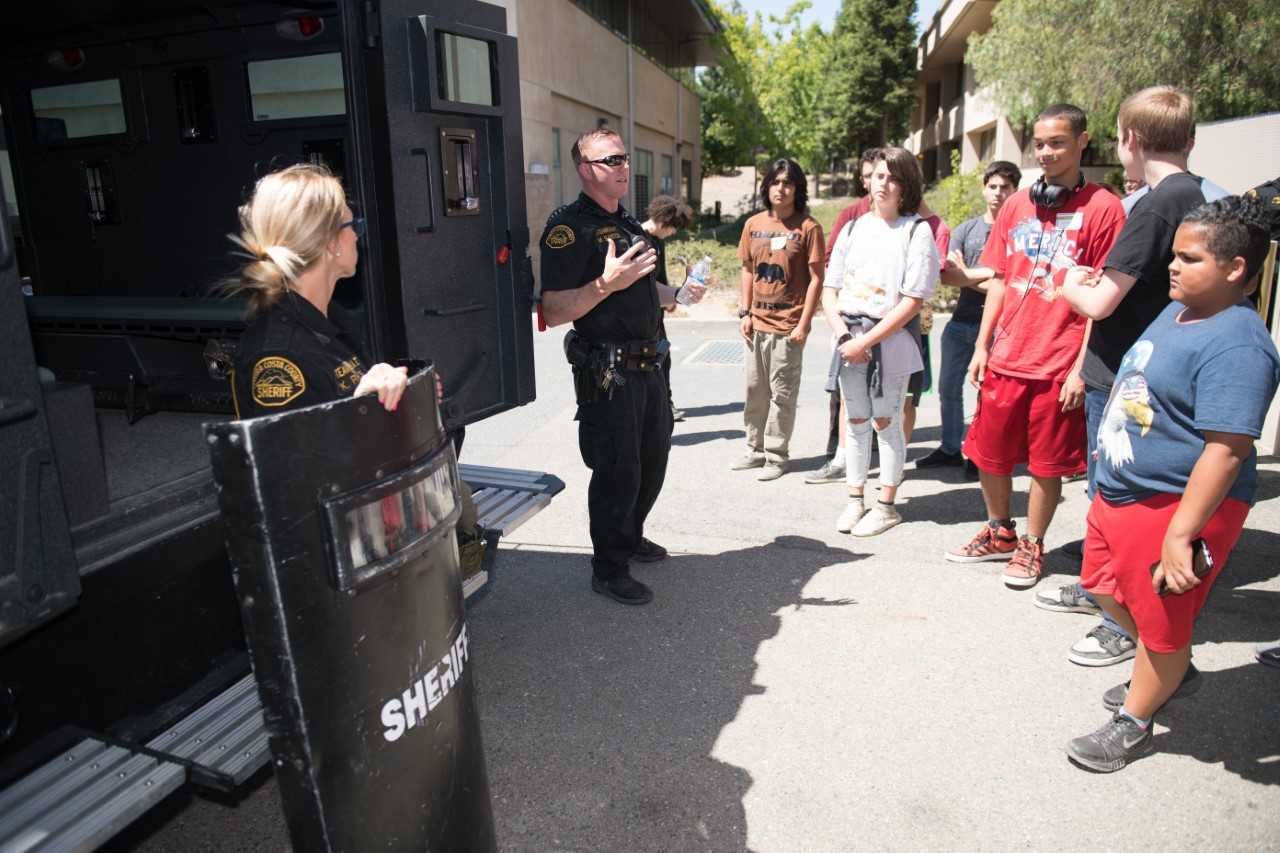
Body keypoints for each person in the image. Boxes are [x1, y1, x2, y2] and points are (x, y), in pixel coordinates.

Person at [1065, 197, 1280, 772]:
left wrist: (1182, 534)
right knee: (1104, 588)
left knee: (1162, 622)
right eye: (1175, 255)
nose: (1173, 266)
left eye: (1189, 257)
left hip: (1175, 504)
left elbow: (1226, 449)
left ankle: (1134, 723)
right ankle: (1171, 670)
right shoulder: (1178, 309)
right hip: (1121, 492)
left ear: (1235, 269)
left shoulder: (1239, 344)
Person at [1047, 87, 1230, 667]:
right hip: (1148, 374)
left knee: (1116, 497)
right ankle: (1104, 586)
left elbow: (1101, 300)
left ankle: (1120, 617)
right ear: (1189, 139)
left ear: (1130, 140)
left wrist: (1065, 278)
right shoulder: (1196, 194)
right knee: (1116, 497)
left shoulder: (1153, 205)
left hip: (1125, 377)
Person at [944, 104, 1125, 588]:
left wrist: (1079, 370)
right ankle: (1000, 531)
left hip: (1058, 362)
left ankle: (1032, 544)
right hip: (1007, 356)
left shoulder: (1104, 208)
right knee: (988, 454)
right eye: (1039, 144)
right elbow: (1001, 280)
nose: (1045, 153)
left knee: (1046, 465)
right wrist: (983, 345)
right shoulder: (1018, 204)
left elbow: (1103, 297)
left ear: (1082, 142)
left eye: (1057, 143)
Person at [539, 127, 700, 606]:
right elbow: (553, 309)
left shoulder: (630, 224)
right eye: (610, 160)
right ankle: (608, 568)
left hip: (651, 364)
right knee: (617, 469)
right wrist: (603, 285)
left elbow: (647, 290)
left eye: (624, 158)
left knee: (652, 462)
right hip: (607, 371)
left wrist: (679, 296)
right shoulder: (568, 228)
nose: (623, 166)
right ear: (586, 169)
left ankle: (628, 537)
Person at [229, 163, 409, 418]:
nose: (358, 236)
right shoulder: (281, 356)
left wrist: (404, 395)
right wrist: (360, 408)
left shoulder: (329, 319)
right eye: (352, 225)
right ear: (330, 243)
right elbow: (297, 455)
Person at [821, 147, 939, 536]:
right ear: (867, 180)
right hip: (848, 340)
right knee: (854, 422)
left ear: (906, 185)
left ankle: (886, 504)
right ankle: (855, 498)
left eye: (892, 177)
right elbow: (830, 288)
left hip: (889, 343)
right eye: (878, 176)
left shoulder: (916, 231)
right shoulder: (853, 227)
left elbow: (912, 300)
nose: (883, 184)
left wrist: (865, 340)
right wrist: (843, 335)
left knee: (886, 422)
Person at [917, 161, 1021, 477]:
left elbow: (1012, 284)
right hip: (960, 324)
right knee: (948, 389)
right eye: (993, 186)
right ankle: (950, 448)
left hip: (997, 329)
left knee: (987, 396)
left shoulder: (1019, 232)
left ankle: (980, 453)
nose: (998, 193)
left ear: (1015, 191)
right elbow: (947, 278)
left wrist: (970, 275)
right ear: (983, 188)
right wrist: (990, 275)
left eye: (1005, 187)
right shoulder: (966, 230)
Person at [732, 159, 825, 481]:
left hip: (788, 327)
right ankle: (754, 449)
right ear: (766, 186)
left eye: (787, 183)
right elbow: (746, 269)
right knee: (755, 390)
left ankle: (776, 455)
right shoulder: (753, 224)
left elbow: (816, 279)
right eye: (775, 182)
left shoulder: (808, 227)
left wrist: (804, 323)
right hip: (755, 323)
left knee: (782, 396)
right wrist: (744, 312)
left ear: (797, 188)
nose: (781, 189)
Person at [807, 149, 878, 485]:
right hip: (850, 318)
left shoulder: (909, 218)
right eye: (866, 175)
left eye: (878, 174)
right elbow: (832, 262)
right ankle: (837, 455)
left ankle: (878, 456)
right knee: (841, 392)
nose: (872, 182)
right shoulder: (852, 214)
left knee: (891, 397)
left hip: (887, 322)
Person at [900, 200, 950, 449]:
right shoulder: (879, 220)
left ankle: (897, 458)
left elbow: (934, 272)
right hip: (875, 317)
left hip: (914, 322)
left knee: (907, 396)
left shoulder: (936, 227)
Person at [644, 195, 697, 422]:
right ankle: (659, 408)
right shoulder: (639, 238)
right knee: (653, 362)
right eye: (673, 227)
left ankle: (666, 404)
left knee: (664, 359)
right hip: (641, 313)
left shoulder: (658, 241)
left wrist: (670, 299)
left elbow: (661, 274)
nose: (674, 233)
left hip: (657, 311)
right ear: (663, 221)